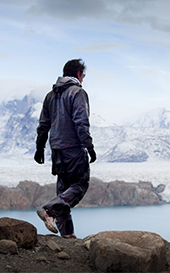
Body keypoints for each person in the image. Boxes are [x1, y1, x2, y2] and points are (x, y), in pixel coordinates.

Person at [34, 59, 96, 238]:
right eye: (83, 75)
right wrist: (89, 147)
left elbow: (43, 124)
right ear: (78, 74)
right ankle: (49, 210)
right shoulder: (78, 93)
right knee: (79, 185)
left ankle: (67, 236)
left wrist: (40, 147)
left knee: (63, 191)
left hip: (57, 150)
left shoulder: (50, 95)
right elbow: (81, 122)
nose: (83, 78)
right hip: (74, 149)